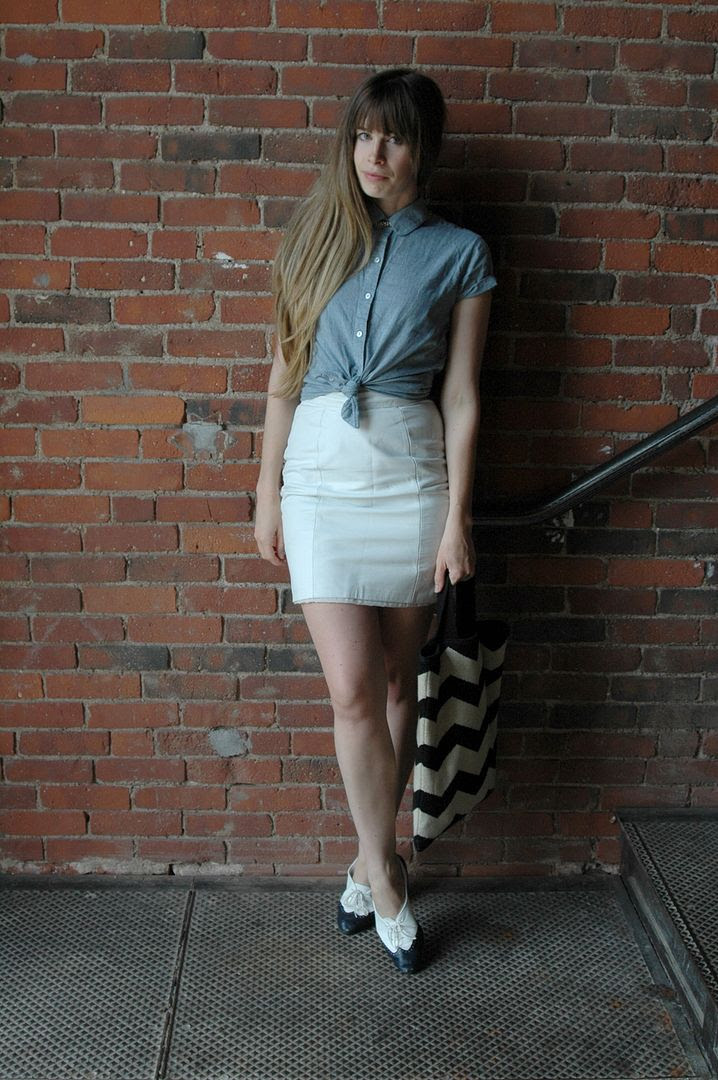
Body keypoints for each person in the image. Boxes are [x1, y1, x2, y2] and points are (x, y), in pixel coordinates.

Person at [254, 68, 495, 973]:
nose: (374, 152)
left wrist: (457, 519)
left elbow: (462, 395)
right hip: (320, 479)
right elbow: (283, 381)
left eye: (392, 136)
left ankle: (366, 860)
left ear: (422, 148)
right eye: (362, 134)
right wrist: (265, 492)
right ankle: (387, 879)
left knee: (401, 687)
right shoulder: (312, 238)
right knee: (353, 688)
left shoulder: (461, 253)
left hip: (412, 478)